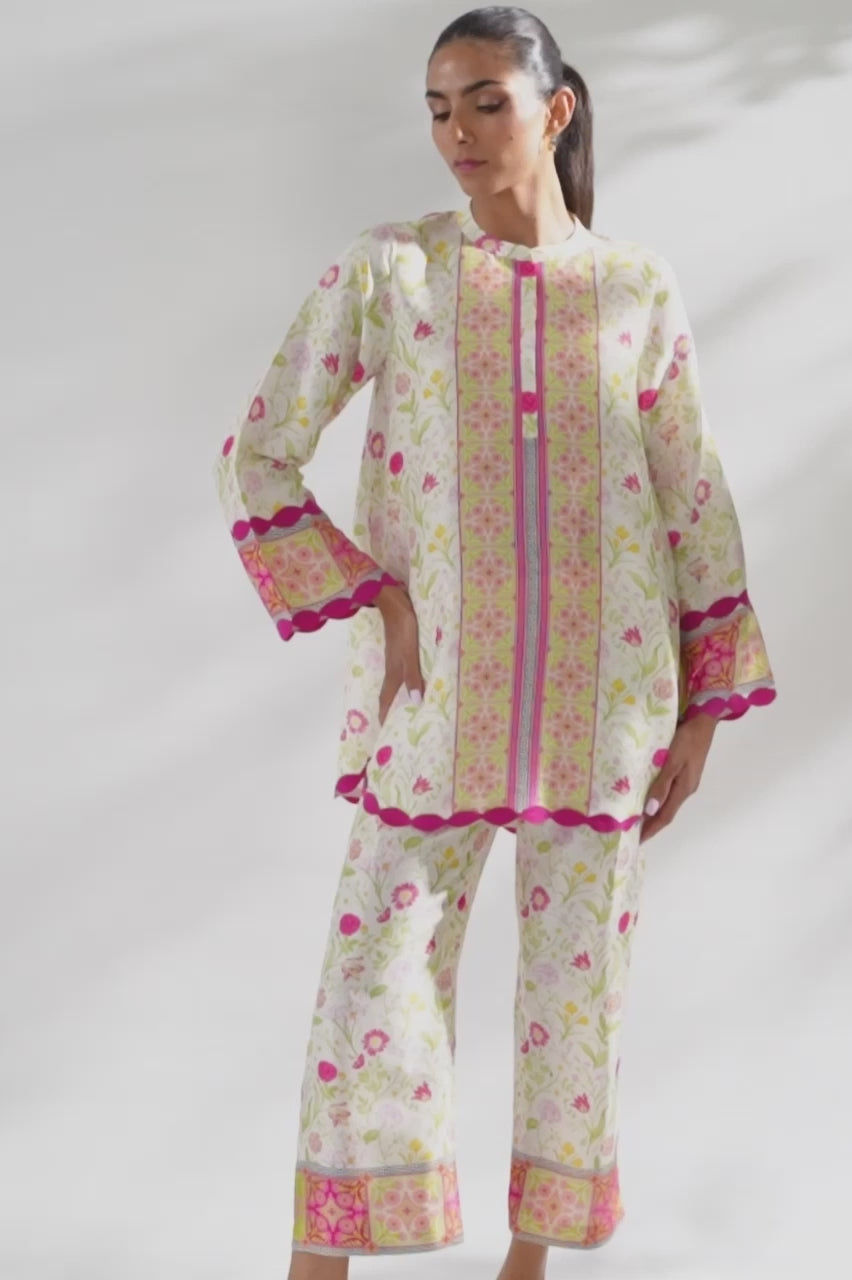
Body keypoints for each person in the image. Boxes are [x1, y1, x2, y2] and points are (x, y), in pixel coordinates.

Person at [213, 7, 777, 1278]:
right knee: (375, 985)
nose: (455, 132)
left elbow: (692, 494)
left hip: (607, 702)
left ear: (554, 108)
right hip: (438, 701)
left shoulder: (635, 287)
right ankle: (321, 1262)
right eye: (437, 107)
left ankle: (531, 1263)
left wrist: (703, 704)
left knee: (578, 1005)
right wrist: (379, 597)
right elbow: (257, 454)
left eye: (483, 101)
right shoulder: (392, 272)